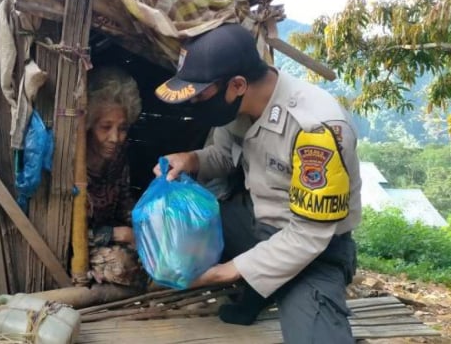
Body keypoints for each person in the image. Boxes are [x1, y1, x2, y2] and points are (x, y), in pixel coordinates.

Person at [152, 23, 362, 343]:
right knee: (188, 222)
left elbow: (309, 234)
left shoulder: (316, 127)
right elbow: (224, 155)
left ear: (237, 84)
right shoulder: (235, 107)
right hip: (255, 222)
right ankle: (257, 290)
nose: (195, 103)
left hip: (313, 250)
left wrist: (227, 271)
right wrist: (192, 160)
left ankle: (264, 287)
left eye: (200, 95)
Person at [85, 65, 148, 289]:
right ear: (89, 124)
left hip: (116, 237)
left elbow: (124, 201)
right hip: (81, 247)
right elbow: (62, 233)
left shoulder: (118, 156)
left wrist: (144, 229)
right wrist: (116, 234)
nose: (115, 138)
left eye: (122, 128)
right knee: (121, 265)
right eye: (105, 127)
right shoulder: (73, 165)